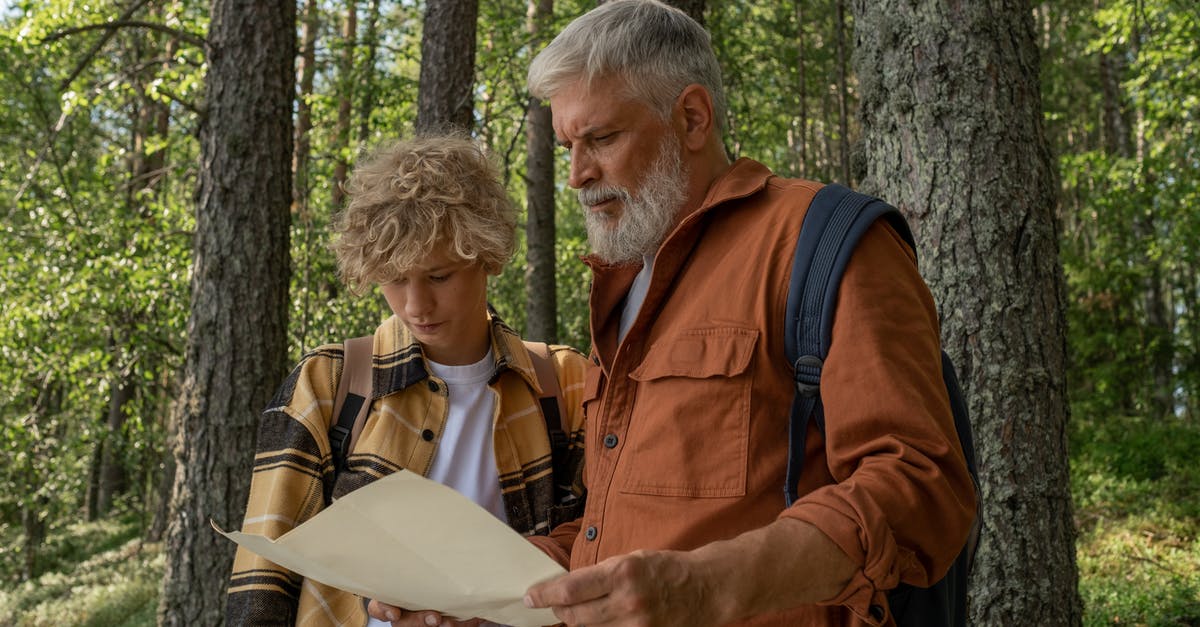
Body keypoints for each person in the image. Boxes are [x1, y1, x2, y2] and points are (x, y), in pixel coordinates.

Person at [515, 1, 978, 625]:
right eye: (569, 145)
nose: (576, 174)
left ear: (693, 117)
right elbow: (616, 536)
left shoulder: (825, 243)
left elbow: (921, 484)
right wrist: (484, 589)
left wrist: (708, 585)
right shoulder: (623, 286)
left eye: (601, 138)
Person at [225, 135, 588, 627]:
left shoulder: (563, 383)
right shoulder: (328, 384)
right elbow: (261, 584)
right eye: (394, 279)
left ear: (487, 256)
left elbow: (603, 544)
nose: (416, 305)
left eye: (439, 277)